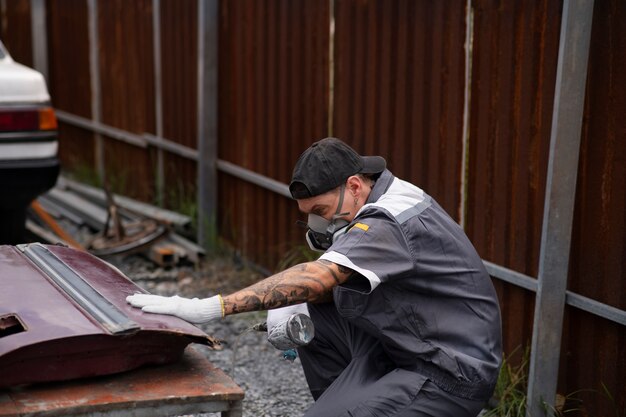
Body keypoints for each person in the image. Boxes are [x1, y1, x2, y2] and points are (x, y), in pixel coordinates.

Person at [127, 137, 502, 417]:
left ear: (354, 186)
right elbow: (329, 287)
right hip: (407, 344)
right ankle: (351, 401)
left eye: (321, 210)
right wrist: (296, 304)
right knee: (309, 316)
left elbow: (320, 275)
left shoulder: (390, 222)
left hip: (448, 371)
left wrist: (211, 307)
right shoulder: (381, 192)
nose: (319, 223)